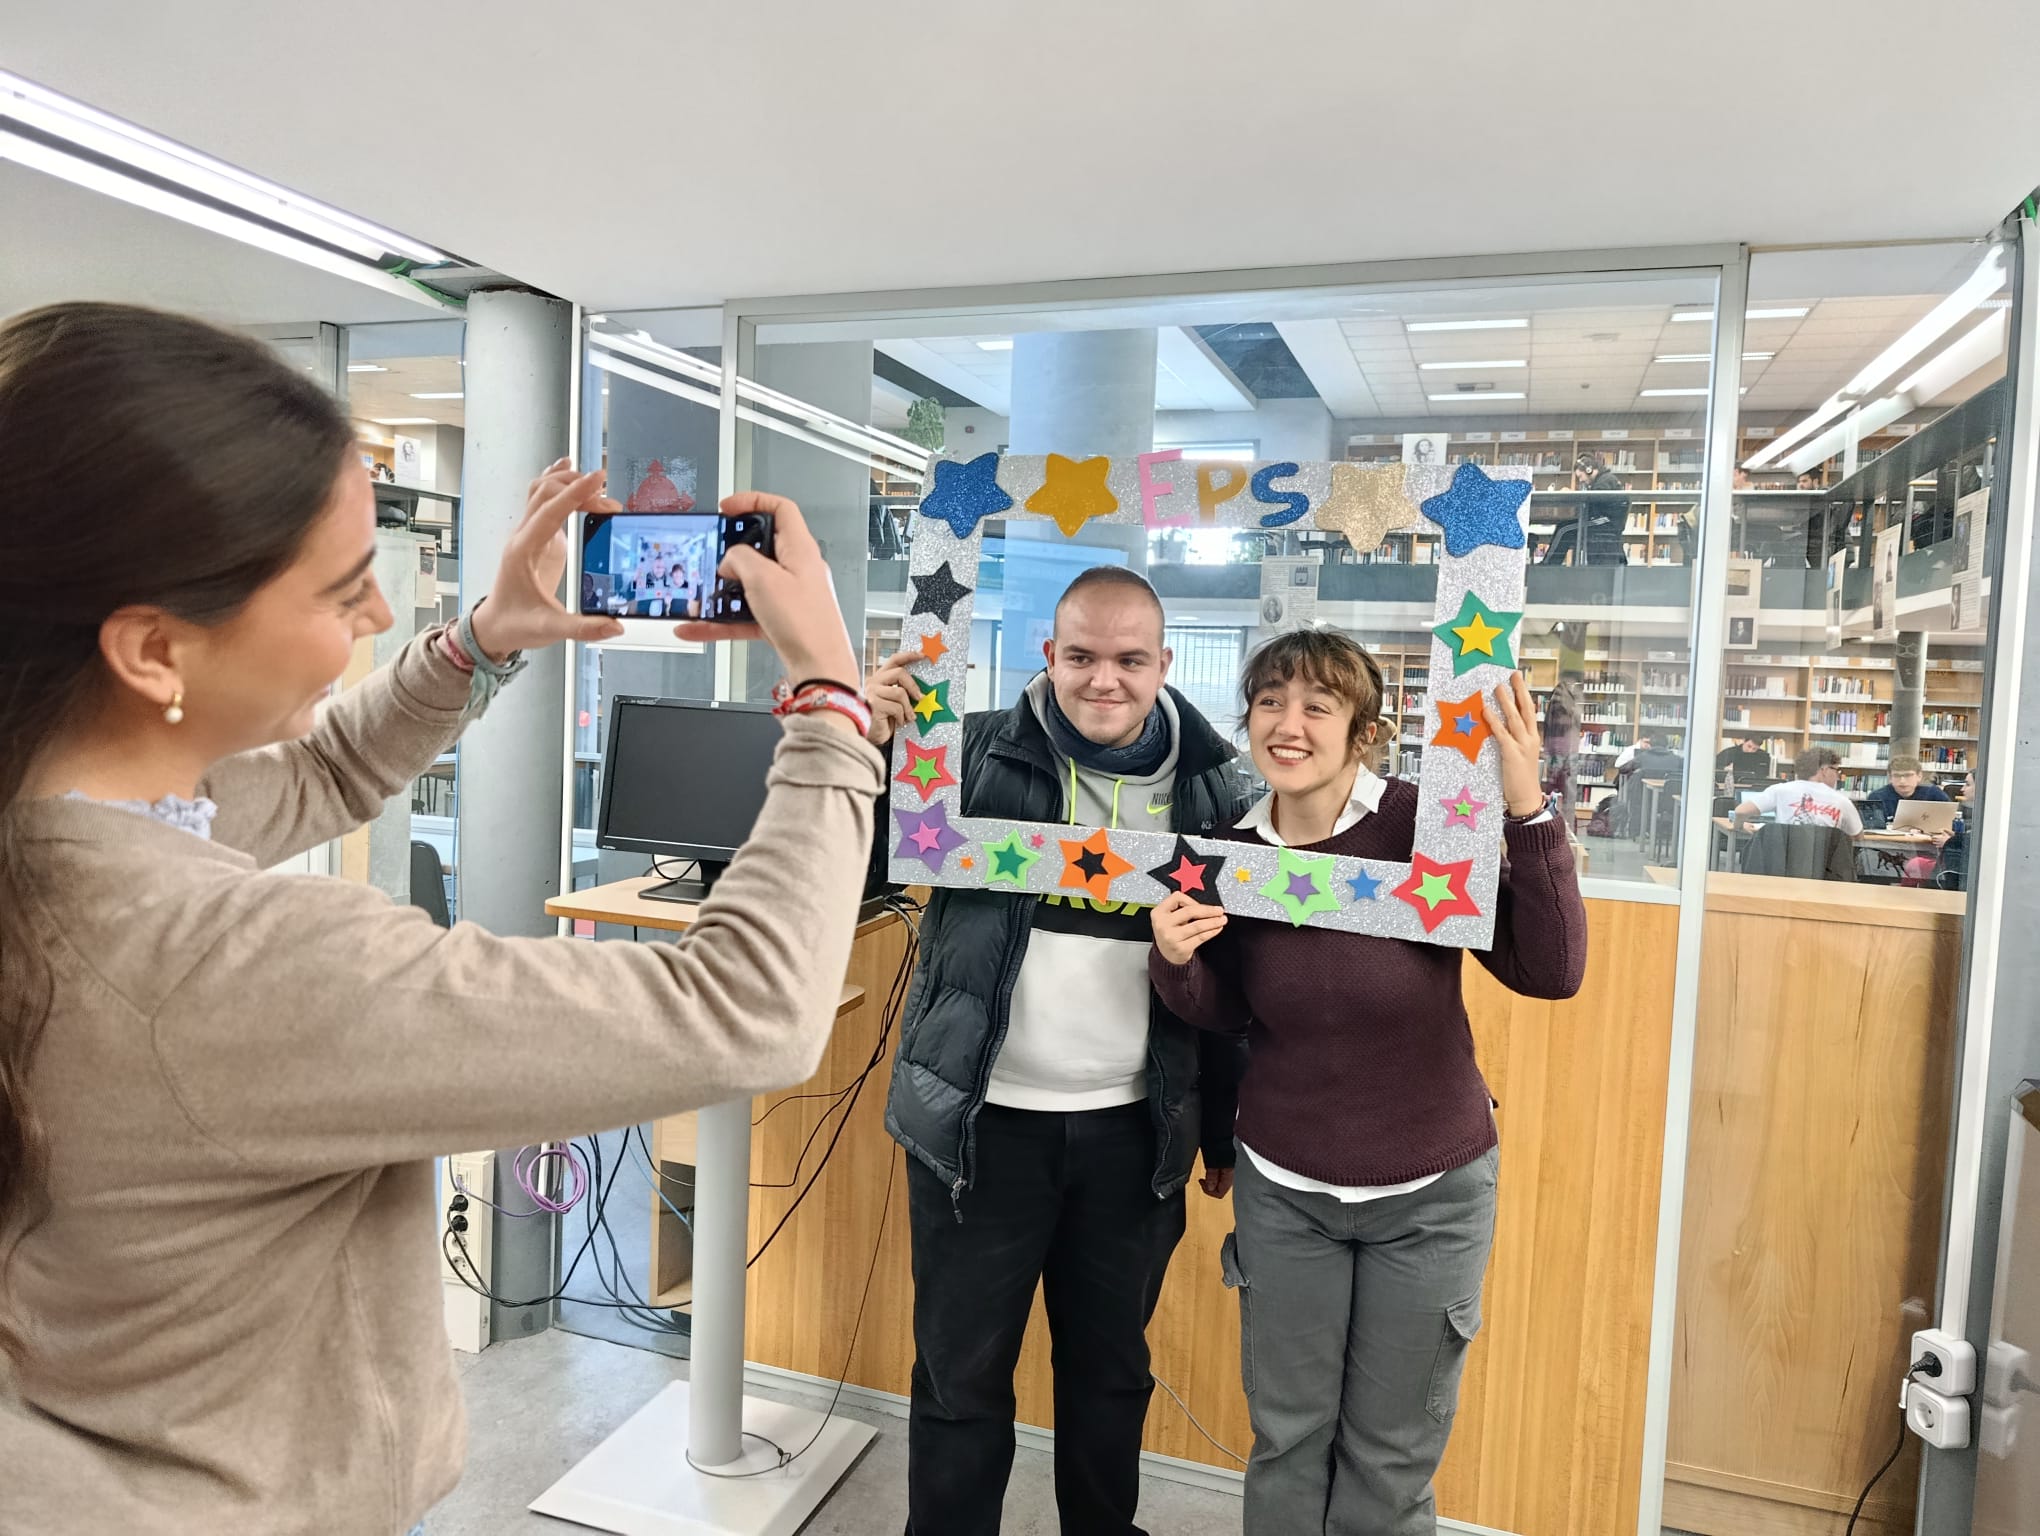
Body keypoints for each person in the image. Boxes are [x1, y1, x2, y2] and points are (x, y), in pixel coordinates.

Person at [0, 303, 884, 1536]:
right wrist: (831, 703)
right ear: (154, 648)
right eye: (344, 587)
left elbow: (312, 782)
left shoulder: (54, 835)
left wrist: (481, 641)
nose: (374, 620)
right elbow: (746, 1010)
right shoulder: (229, 967)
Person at [1147, 630, 1586, 1535]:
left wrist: (1525, 808)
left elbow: (1551, 970)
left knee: (1390, 1455)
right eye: (1271, 701)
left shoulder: (1428, 829)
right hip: (1287, 1192)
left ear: (1364, 731)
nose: (1290, 723)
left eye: (1318, 705)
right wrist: (1175, 961)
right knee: (1288, 1438)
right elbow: (1225, 1010)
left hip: (1430, 1192)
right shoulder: (1224, 851)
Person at [864, 565, 1250, 1536]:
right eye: (1081, 656)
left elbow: (1246, 976)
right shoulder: (964, 750)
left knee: (1110, 1380)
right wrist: (864, 750)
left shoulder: (1219, 789)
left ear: (1165, 663)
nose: (1103, 680)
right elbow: (868, 868)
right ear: (1050, 655)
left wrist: (1222, 1136)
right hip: (977, 1132)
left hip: (1135, 1136)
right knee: (959, 1384)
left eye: (1129, 659)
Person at [1733, 745, 1862, 834]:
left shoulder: (1780, 790)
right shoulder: (1841, 801)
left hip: (1784, 865)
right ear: (1824, 770)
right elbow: (1857, 835)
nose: (1838, 776)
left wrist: (1740, 826)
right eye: (1837, 770)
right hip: (1823, 869)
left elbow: (1740, 811)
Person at [1539, 452, 1629, 566]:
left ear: (1589, 470)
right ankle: (1549, 563)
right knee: (1564, 527)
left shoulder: (1604, 482)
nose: (1580, 480)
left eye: (1580, 476)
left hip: (1606, 521)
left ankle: (1548, 565)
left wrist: (1572, 495)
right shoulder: (1604, 479)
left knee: (1564, 530)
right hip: (1603, 520)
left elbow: (1594, 501)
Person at [1866, 753, 1951, 827]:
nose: (1902, 781)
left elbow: (1950, 820)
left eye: (1908, 775)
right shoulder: (1877, 797)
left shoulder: (1934, 794)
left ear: (1919, 776)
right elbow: (1872, 828)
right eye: (1897, 776)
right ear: (1890, 778)